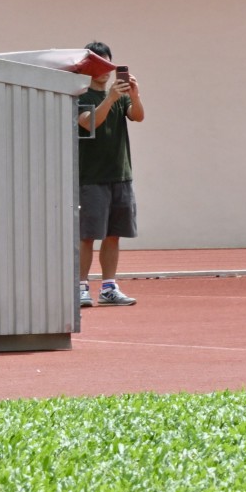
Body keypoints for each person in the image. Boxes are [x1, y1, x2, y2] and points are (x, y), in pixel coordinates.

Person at [75, 41, 146, 306]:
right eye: (99, 65)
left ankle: (108, 286)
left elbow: (138, 116)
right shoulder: (80, 95)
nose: (105, 71)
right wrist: (111, 98)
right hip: (91, 177)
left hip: (120, 174)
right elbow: (89, 121)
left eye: (109, 65)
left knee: (113, 234)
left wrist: (135, 95)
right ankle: (81, 286)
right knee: (87, 235)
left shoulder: (121, 95)